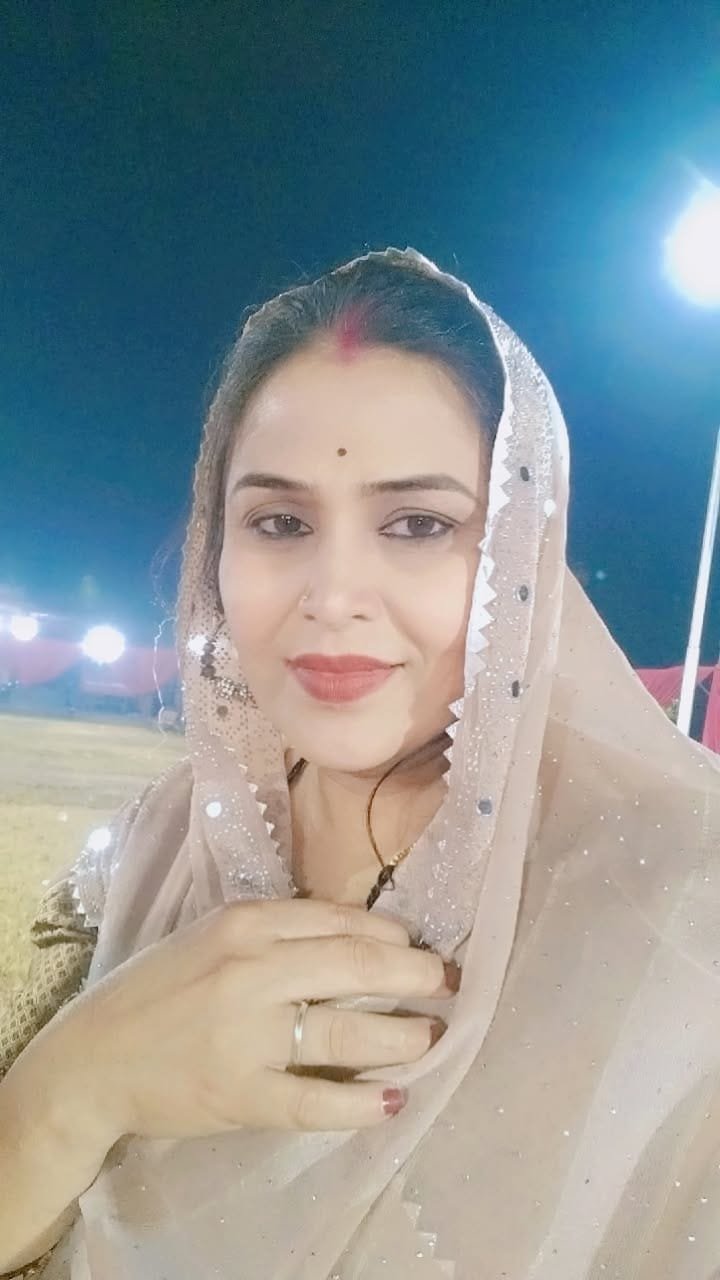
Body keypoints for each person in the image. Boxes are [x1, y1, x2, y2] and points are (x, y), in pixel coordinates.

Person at [1, 247, 719, 1279]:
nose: (334, 594)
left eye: (418, 524)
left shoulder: (681, 912)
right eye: (280, 522)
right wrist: (71, 1088)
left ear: (521, 552)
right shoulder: (157, 853)